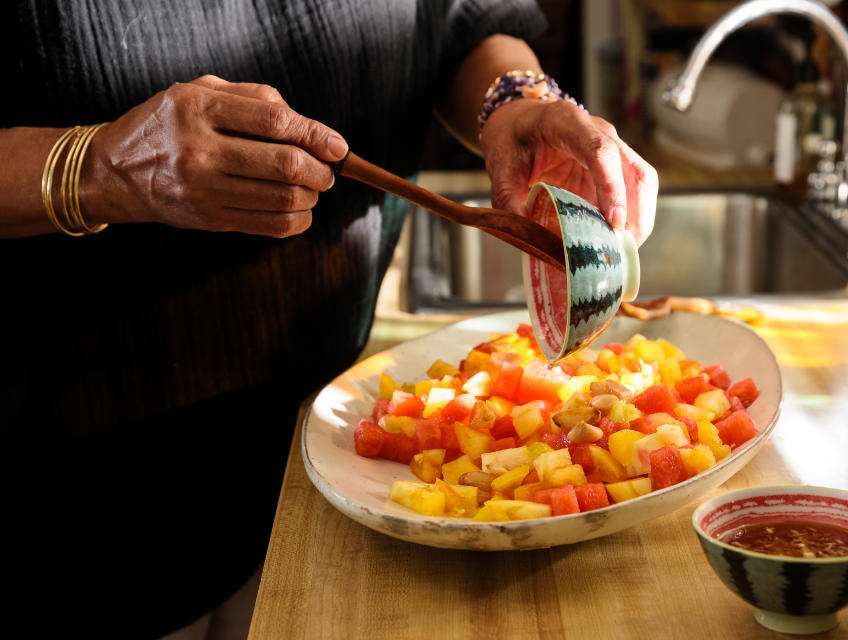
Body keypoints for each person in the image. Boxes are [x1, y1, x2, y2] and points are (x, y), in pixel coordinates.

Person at [0, 1, 657, 637]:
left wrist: (516, 99)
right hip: (63, 514)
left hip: (321, 469)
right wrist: (94, 166)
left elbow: (460, 19)